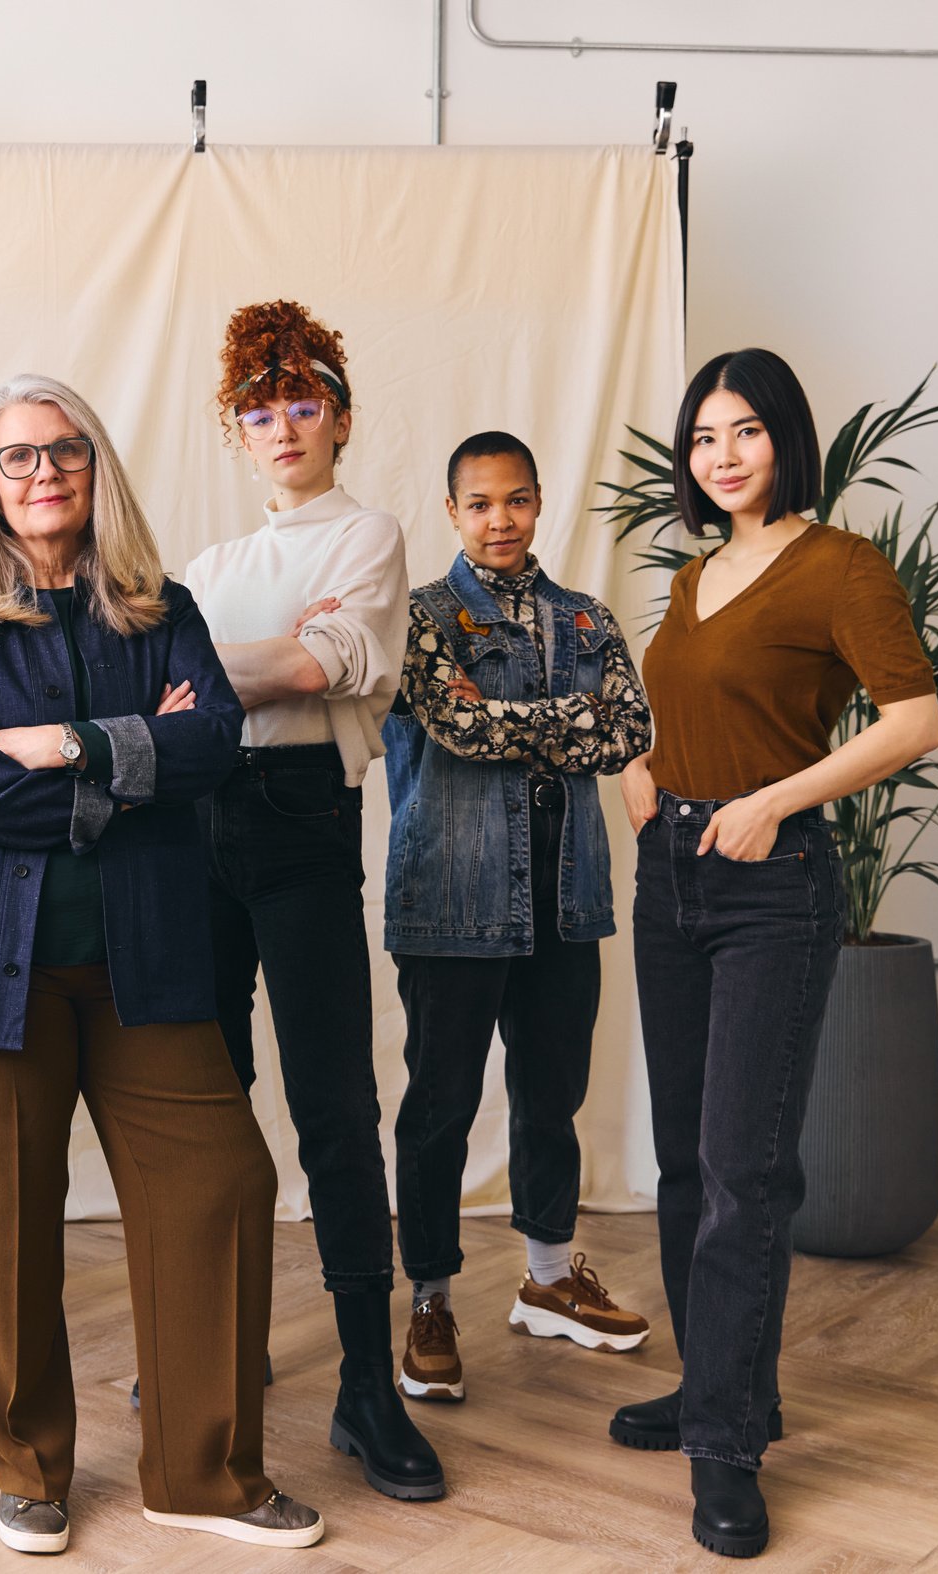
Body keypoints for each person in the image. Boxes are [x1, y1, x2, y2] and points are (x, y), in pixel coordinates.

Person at [0, 373, 325, 1554]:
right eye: (16, 457)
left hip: (144, 961)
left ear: (97, 466)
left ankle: (204, 1474)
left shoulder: (160, 605)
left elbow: (216, 742)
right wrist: (132, 770)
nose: (43, 474)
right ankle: (29, 1469)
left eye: (64, 451)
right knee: (9, 1228)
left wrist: (74, 745)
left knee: (222, 1189)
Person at [615, 349, 938, 1559]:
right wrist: (640, 773)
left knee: (746, 1169)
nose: (722, 454)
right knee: (686, 1160)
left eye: (745, 431)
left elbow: (914, 717)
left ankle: (728, 1445)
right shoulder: (699, 573)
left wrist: (773, 801)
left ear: (784, 441)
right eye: (705, 436)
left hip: (774, 882)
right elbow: (679, 707)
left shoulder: (839, 566)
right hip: (672, 876)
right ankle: (720, 1388)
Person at [180, 300, 442, 1503]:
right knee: (207, 1098)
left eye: (300, 403)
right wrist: (226, 673)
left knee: (335, 1104)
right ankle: (213, 1357)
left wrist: (190, 678)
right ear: (236, 434)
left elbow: (314, 666)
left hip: (301, 821)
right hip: (193, 827)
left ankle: (364, 1386)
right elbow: (252, 671)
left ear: (336, 415)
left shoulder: (370, 534)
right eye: (257, 410)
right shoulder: (210, 569)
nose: (280, 427)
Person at [381, 431, 654, 1411]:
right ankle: (430, 1301)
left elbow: (629, 729)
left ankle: (548, 1276)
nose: (500, 520)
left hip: (566, 900)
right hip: (451, 900)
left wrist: (526, 725)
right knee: (441, 1108)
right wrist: (566, 720)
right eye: (480, 503)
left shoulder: (586, 616)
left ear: (540, 503)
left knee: (552, 1096)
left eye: (517, 500)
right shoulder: (418, 617)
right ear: (452, 511)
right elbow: (455, 724)